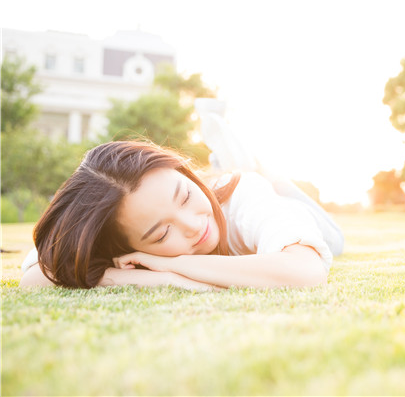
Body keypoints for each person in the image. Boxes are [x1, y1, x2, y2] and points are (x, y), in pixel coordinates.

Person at [20, 101, 343, 290]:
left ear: (183, 171)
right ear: (126, 248)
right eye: (161, 233)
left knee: (334, 240)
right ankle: (224, 162)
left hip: (268, 195)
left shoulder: (245, 196)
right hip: (227, 192)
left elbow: (305, 272)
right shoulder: (115, 233)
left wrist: (173, 264)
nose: (192, 225)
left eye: (185, 195)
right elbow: (35, 277)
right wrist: (145, 279)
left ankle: (257, 168)